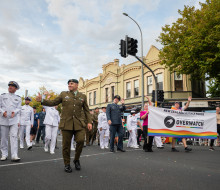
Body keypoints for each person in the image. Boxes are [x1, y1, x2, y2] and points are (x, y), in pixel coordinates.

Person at [36, 79, 92, 173]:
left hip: (79, 123)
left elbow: (86, 110)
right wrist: (42, 100)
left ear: (77, 85)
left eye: (71, 83)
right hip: (66, 123)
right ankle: (67, 164)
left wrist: (89, 122)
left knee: (81, 140)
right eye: (68, 84)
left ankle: (76, 159)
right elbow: (53, 102)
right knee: (66, 145)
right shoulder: (63, 94)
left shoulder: (83, 96)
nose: (69, 85)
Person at [0, 81, 21, 161]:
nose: (10, 87)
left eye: (12, 86)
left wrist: (14, 112)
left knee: (14, 137)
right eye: (9, 85)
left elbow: (19, 108)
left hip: (14, 120)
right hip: (3, 119)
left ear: (16, 89)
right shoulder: (2, 96)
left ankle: (14, 155)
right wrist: (2, 112)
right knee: (4, 138)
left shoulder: (18, 98)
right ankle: (4, 154)